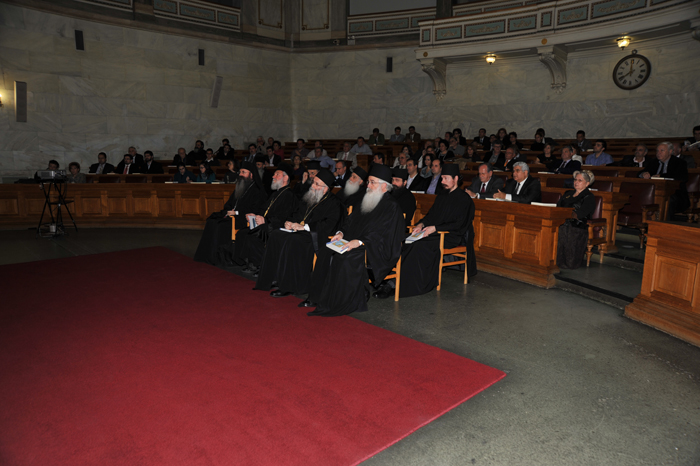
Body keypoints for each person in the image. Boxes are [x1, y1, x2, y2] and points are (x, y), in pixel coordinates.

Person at [304, 165, 405, 315]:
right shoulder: (367, 199)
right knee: (326, 250)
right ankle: (317, 296)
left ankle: (339, 301)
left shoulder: (392, 206)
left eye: (372, 182)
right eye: (368, 182)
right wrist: (341, 233)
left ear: (384, 186)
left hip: (376, 248)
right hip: (356, 242)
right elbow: (349, 221)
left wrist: (359, 242)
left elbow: (384, 234)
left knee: (345, 257)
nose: (368, 185)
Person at [387, 163, 475, 299]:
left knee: (420, 246)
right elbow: (431, 216)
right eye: (442, 178)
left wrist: (436, 228)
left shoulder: (464, 199)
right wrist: (421, 224)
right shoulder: (442, 196)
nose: (442, 181)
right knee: (406, 240)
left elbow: (459, 224)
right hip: (433, 233)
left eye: (446, 178)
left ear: (456, 179)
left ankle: (406, 284)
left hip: (450, 236)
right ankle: (394, 277)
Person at [254, 169, 344, 297]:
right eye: (313, 182)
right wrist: (289, 222)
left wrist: (305, 227)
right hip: (299, 231)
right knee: (276, 234)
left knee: (291, 240)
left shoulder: (334, 203)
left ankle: (288, 285)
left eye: (317, 184)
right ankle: (273, 278)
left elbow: (329, 224)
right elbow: (297, 214)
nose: (313, 186)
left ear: (325, 188)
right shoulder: (309, 196)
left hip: (314, 235)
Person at [193, 162, 267, 266]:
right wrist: (228, 211)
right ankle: (206, 256)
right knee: (212, 221)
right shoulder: (240, 187)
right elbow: (229, 204)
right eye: (240, 172)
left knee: (221, 226)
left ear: (251, 175)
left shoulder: (257, 191)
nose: (240, 174)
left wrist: (236, 212)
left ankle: (219, 258)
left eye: (243, 172)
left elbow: (255, 210)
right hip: (232, 216)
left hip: (243, 219)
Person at [234, 163, 298, 273]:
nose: (273, 176)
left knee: (254, 235)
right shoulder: (274, 194)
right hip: (266, 225)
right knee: (242, 233)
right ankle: (250, 263)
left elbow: (284, 217)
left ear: (285, 178)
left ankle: (261, 266)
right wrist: (255, 215)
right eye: (274, 174)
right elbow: (263, 209)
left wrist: (266, 220)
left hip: (276, 227)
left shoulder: (289, 195)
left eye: (277, 174)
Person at [556, 170, 597, 269]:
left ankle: (568, 262)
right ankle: (555, 260)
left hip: (577, 225)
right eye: (575, 180)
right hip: (562, 222)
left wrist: (567, 214)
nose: (576, 182)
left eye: (580, 180)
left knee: (566, 229)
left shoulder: (589, 197)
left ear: (587, 183)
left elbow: (582, 213)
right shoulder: (568, 193)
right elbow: (558, 206)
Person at [639, 141, 689, 220]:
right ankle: (643, 221)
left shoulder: (679, 162)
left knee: (668, 200)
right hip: (654, 192)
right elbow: (640, 173)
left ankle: (665, 223)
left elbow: (682, 177)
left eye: (662, 150)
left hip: (674, 193)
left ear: (670, 151)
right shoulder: (653, 162)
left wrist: (661, 176)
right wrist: (643, 174)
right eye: (657, 151)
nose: (658, 153)